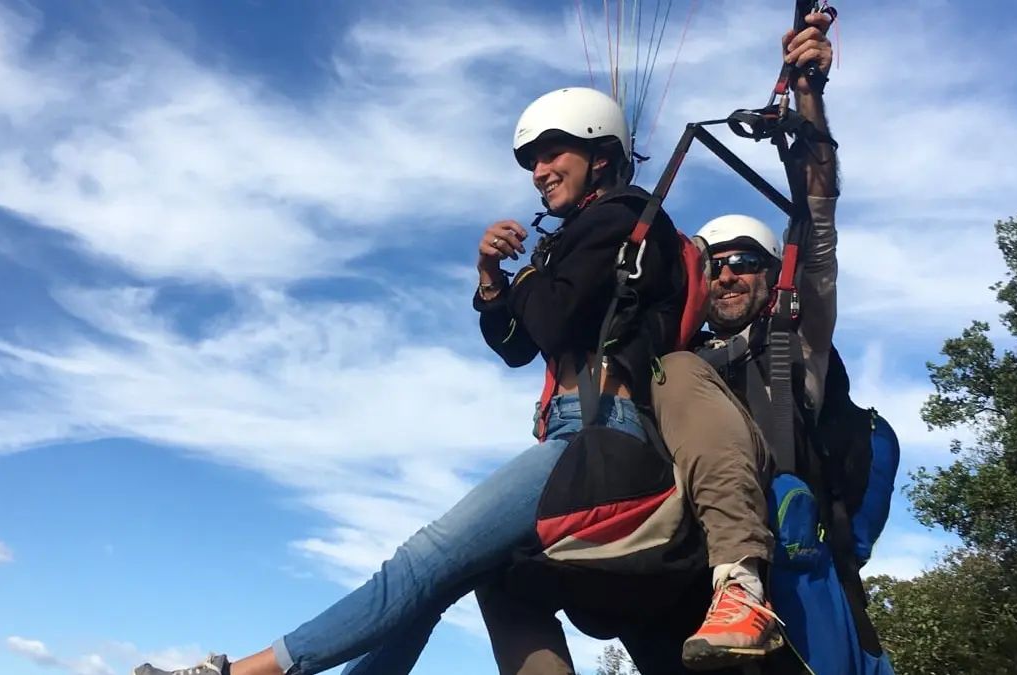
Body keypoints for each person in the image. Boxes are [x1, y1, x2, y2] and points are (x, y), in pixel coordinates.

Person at [308, 10, 839, 675]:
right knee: (494, 571)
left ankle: (742, 583)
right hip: (671, 568)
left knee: (676, 372)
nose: (729, 271)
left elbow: (816, 225)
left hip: (768, 579)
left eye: (748, 261)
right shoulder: (676, 347)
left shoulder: (791, 347)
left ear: (773, 277)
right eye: (718, 261)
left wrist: (809, 98)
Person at [130, 86, 689, 675]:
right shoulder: (577, 238)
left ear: (600, 154)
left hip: (602, 436)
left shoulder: (621, 220)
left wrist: (524, 277)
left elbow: (551, 320)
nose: (539, 172)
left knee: (425, 558)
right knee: (443, 580)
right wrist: (491, 282)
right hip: (574, 433)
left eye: (553, 154)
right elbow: (517, 348)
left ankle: (238, 673)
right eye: (533, 162)